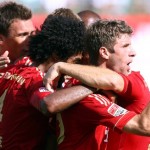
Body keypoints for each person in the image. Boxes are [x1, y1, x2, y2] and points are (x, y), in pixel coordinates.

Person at [43, 19, 150, 150]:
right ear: (104, 52)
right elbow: (145, 126)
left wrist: (61, 66)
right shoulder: (88, 99)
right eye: (125, 46)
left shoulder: (132, 78)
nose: (133, 52)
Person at [0, 14, 90, 149]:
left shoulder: (19, 65)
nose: (76, 68)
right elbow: (48, 105)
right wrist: (91, 87)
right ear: (56, 55)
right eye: (75, 61)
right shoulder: (36, 80)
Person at [0, 1, 35, 70]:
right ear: (1, 39)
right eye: (23, 35)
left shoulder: (42, 68)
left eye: (32, 33)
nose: (31, 40)